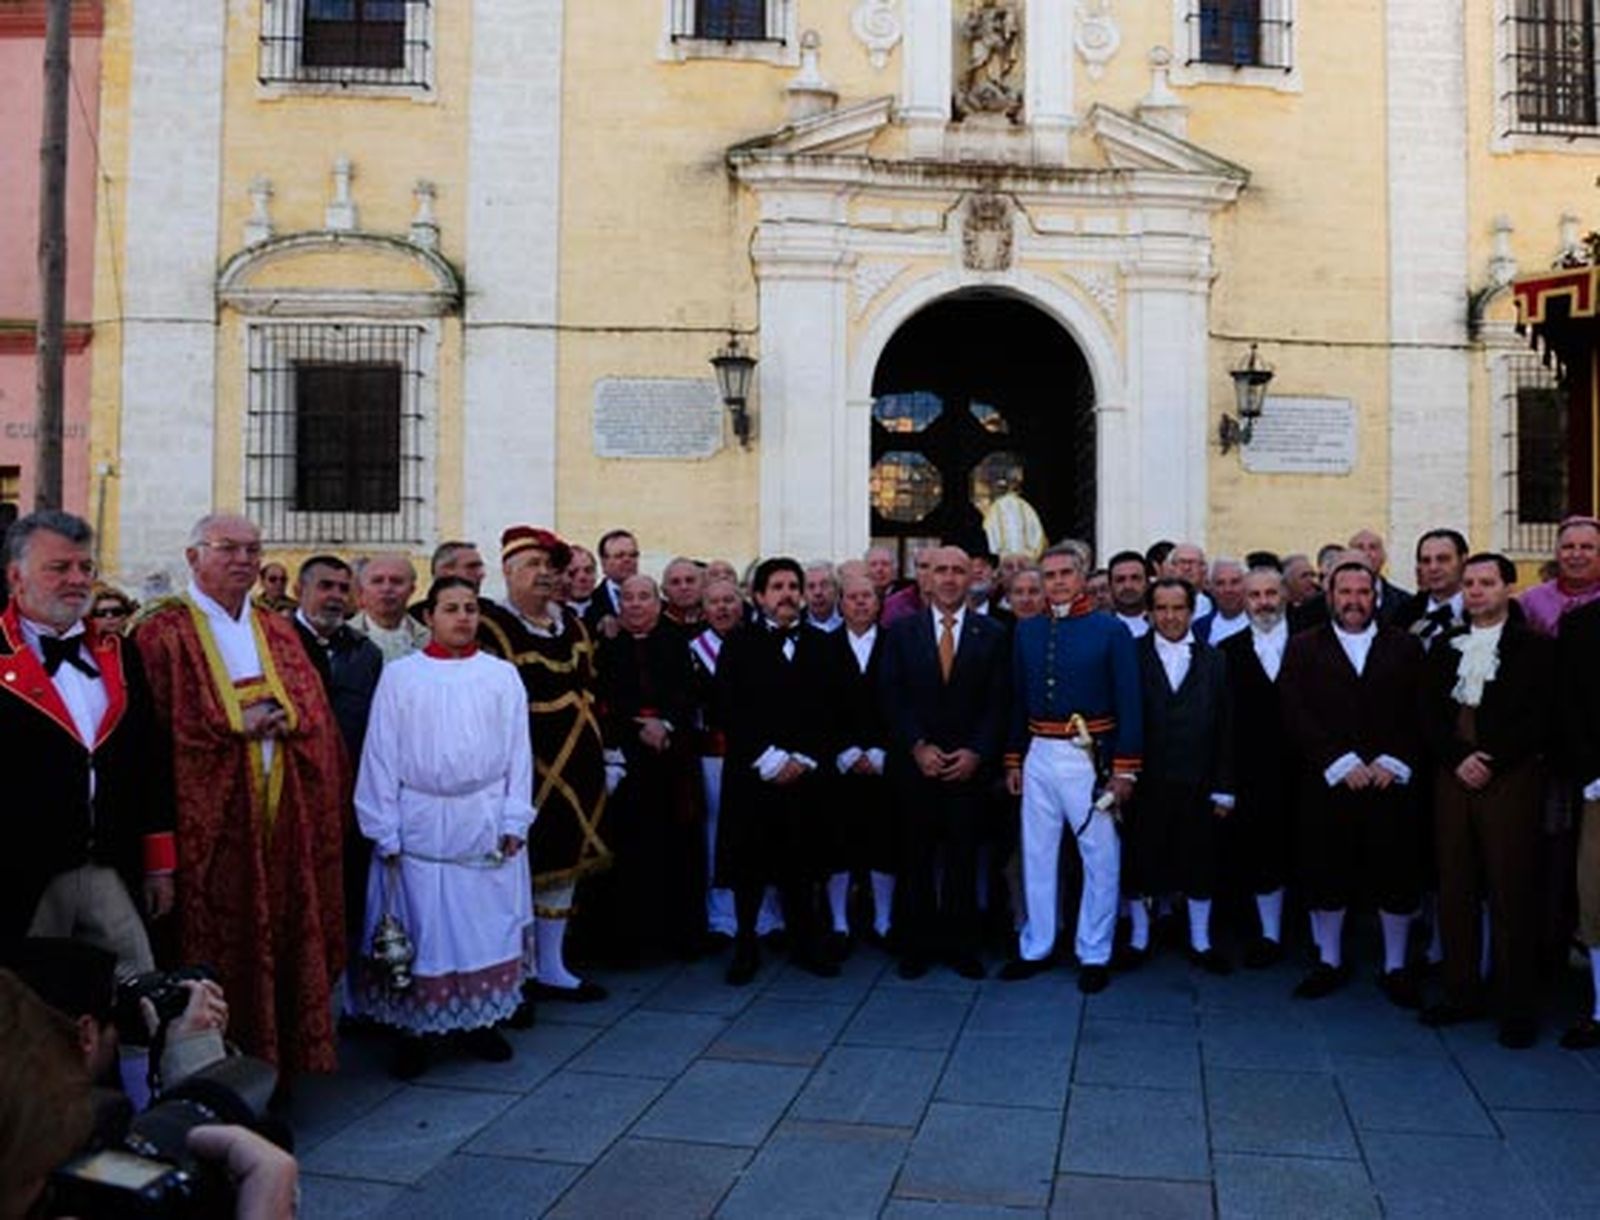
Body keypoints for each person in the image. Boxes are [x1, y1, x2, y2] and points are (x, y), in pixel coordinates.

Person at [133, 513, 345, 1075]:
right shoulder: (163, 633)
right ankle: (207, 1068)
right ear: (193, 556)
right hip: (211, 826)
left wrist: (286, 717)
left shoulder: (277, 629)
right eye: (228, 548)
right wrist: (234, 721)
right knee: (217, 945)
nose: (244, 560)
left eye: (253, 550)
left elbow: (313, 711)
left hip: (282, 819)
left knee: (281, 936)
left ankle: (280, 1060)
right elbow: (151, 734)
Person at [354, 576, 535, 1079]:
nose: (463, 618)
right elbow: (380, 753)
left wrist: (514, 815)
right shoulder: (402, 677)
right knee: (422, 923)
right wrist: (382, 825)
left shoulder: (501, 676)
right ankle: (414, 1027)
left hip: (482, 811)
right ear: (429, 617)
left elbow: (519, 753)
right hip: (420, 818)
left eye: (471, 608)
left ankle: (480, 1021)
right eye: (451, 608)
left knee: (482, 920)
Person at [1, 511, 174, 975]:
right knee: (29, 1018)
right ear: (16, 575)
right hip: (20, 873)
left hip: (109, 866)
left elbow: (149, 762)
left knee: (140, 998)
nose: (78, 580)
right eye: (60, 568)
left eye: (85, 568)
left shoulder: (121, 653)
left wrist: (158, 862)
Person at [1418, 554, 1553, 1048]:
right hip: (1453, 777)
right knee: (1455, 887)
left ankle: (1517, 1005)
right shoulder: (1442, 649)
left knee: (1511, 888)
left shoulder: (1535, 650)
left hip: (1509, 778)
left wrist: (1491, 759)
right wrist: (1458, 757)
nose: (1476, 591)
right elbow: (1429, 713)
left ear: (1507, 588)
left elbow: (1539, 716)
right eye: (1470, 583)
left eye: (1487, 583)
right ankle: (1461, 992)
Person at [1280, 561, 1425, 1005]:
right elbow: (1294, 709)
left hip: (1388, 782)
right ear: (1330, 596)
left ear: (1376, 596)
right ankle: (1329, 960)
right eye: (1346, 592)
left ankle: (1396, 966)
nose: (1354, 601)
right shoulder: (1304, 646)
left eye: (1364, 592)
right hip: (1330, 782)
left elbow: (1421, 710)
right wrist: (1338, 761)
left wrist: (1393, 760)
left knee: (1395, 872)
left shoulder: (1404, 646)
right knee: (1327, 870)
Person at [477, 527, 611, 1002]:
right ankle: (513, 969)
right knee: (516, 862)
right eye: (531, 565)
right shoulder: (491, 626)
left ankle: (552, 965)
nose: (543, 575)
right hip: (521, 762)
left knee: (565, 860)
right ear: (508, 572)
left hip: (576, 762)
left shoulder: (570, 625)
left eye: (549, 567)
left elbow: (590, 687)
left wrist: (606, 752)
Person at [1001, 542, 1140, 993]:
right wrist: (1013, 757)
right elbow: (1017, 699)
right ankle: (1037, 944)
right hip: (1040, 749)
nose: (1057, 582)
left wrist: (1124, 769)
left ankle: (1094, 950)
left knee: (1099, 854)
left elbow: (1130, 704)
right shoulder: (1028, 630)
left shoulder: (1109, 630)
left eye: (1065, 573)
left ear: (1082, 577)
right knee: (1037, 852)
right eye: (1050, 575)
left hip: (1088, 753)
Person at [881, 546, 1011, 980]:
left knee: (962, 859)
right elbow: (892, 696)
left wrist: (977, 751)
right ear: (927, 578)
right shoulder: (901, 632)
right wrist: (917, 746)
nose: (951, 578)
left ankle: (961, 945)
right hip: (917, 766)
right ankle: (917, 945)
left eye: (960, 570)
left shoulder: (992, 633)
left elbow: (998, 703)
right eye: (942, 571)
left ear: (972, 576)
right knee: (915, 858)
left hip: (968, 768)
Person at [716, 558, 839, 984]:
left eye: (793, 586)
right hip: (755, 774)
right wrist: (768, 758)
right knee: (749, 866)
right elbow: (728, 708)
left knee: (802, 863)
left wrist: (804, 759)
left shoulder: (824, 645)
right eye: (777, 587)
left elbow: (832, 712)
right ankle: (745, 943)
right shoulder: (738, 643)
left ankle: (806, 941)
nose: (787, 594)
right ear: (759, 596)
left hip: (805, 777)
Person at [1120, 578, 1234, 974]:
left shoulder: (1214, 659)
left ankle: (1201, 940)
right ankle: (1138, 937)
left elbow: (1226, 727)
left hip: (1197, 779)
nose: (1170, 617)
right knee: (1140, 859)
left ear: (1191, 611)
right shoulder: (1130, 656)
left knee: (1199, 860)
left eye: (1178, 608)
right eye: (1162, 609)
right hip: (1145, 780)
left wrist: (1224, 788)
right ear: (1150, 613)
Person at [593, 574, 701, 963]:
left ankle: (678, 937)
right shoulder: (606, 647)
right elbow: (601, 698)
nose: (636, 604)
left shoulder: (676, 643)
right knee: (630, 851)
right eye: (629, 598)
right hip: (628, 760)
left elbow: (689, 693)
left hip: (671, 760)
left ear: (658, 603)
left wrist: (666, 723)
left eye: (644, 597)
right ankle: (630, 942)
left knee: (675, 849)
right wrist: (638, 727)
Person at [1217, 566, 1295, 967]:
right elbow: (1224, 720)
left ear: (1284, 595)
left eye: (1270, 593)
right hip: (1252, 770)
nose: (1264, 602)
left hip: (1305, 768)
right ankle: (1269, 935)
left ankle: (1321, 940)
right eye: (1255, 595)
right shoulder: (1227, 652)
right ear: (1243, 601)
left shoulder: (1309, 643)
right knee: (1261, 850)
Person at [823, 573, 893, 950]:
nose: (861, 603)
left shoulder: (895, 645)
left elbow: (902, 703)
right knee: (840, 842)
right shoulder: (824, 647)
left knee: (884, 840)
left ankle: (884, 920)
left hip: (885, 763)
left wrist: (883, 752)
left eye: (867, 596)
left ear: (878, 602)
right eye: (852, 597)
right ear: (841, 603)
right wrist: (844, 750)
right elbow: (819, 707)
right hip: (841, 765)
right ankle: (839, 922)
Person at [291, 556, 383, 762]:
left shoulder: (366, 653)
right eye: (325, 586)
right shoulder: (273, 644)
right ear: (298, 591)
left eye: (343, 589)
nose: (336, 596)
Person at [1559, 590, 1600, 1049]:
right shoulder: (1582, 624)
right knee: (1597, 899)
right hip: (1599, 786)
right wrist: (1591, 770)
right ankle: (1598, 1008)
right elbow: (1570, 706)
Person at [1520, 515, 1600, 637]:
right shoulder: (1532, 600)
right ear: (1557, 554)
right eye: (1568, 547)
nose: (1576, 554)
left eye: (1586, 547)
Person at [349, 554, 429, 663]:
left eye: (396, 581)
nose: (386, 588)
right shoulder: (341, 638)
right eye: (377, 581)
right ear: (362, 589)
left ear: (411, 590)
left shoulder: (429, 641)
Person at [1395, 529, 1468, 648]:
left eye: (1443, 559)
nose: (1433, 568)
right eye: (1426, 561)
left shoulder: (1485, 611)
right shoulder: (1403, 616)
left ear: (1463, 562)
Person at [587, 529, 641, 634]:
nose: (627, 560)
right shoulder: (591, 602)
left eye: (633, 555)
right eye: (620, 556)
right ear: (604, 562)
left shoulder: (654, 600)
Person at [1193, 558, 1248, 646]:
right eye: (1220, 583)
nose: (1228, 589)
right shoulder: (1199, 628)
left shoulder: (1260, 624)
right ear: (1210, 588)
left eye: (1235, 582)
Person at [881, 545, 933, 627]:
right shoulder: (896, 605)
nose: (930, 573)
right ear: (915, 570)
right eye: (924, 567)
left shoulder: (955, 604)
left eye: (937, 568)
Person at [1106, 550, 1151, 638]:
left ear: (1147, 583)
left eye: (1135, 578)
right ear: (1110, 586)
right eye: (1120, 580)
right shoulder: (1099, 628)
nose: (1128, 586)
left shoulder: (1163, 624)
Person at [661, 557, 707, 635]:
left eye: (690, 580)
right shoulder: (652, 625)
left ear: (703, 586)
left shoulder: (718, 623)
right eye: (675, 582)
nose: (684, 587)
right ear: (664, 591)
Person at [1167, 544, 1214, 619]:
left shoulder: (1218, 605)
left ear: (1204, 568)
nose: (1187, 568)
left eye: (1192, 562)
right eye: (1182, 562)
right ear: (1171, 568)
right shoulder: (1157, 603)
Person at [562, 545, 601, 620]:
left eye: (588, 570)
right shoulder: (551, 614)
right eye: (573, 572)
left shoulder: (608, 610)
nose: (582, 577)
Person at [803, 560, 843, 632]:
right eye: (811, 586)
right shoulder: (795, 624)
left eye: (824, 585)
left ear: (836, 589)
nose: (818, 592)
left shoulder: (851, 620)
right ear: (803, 594)